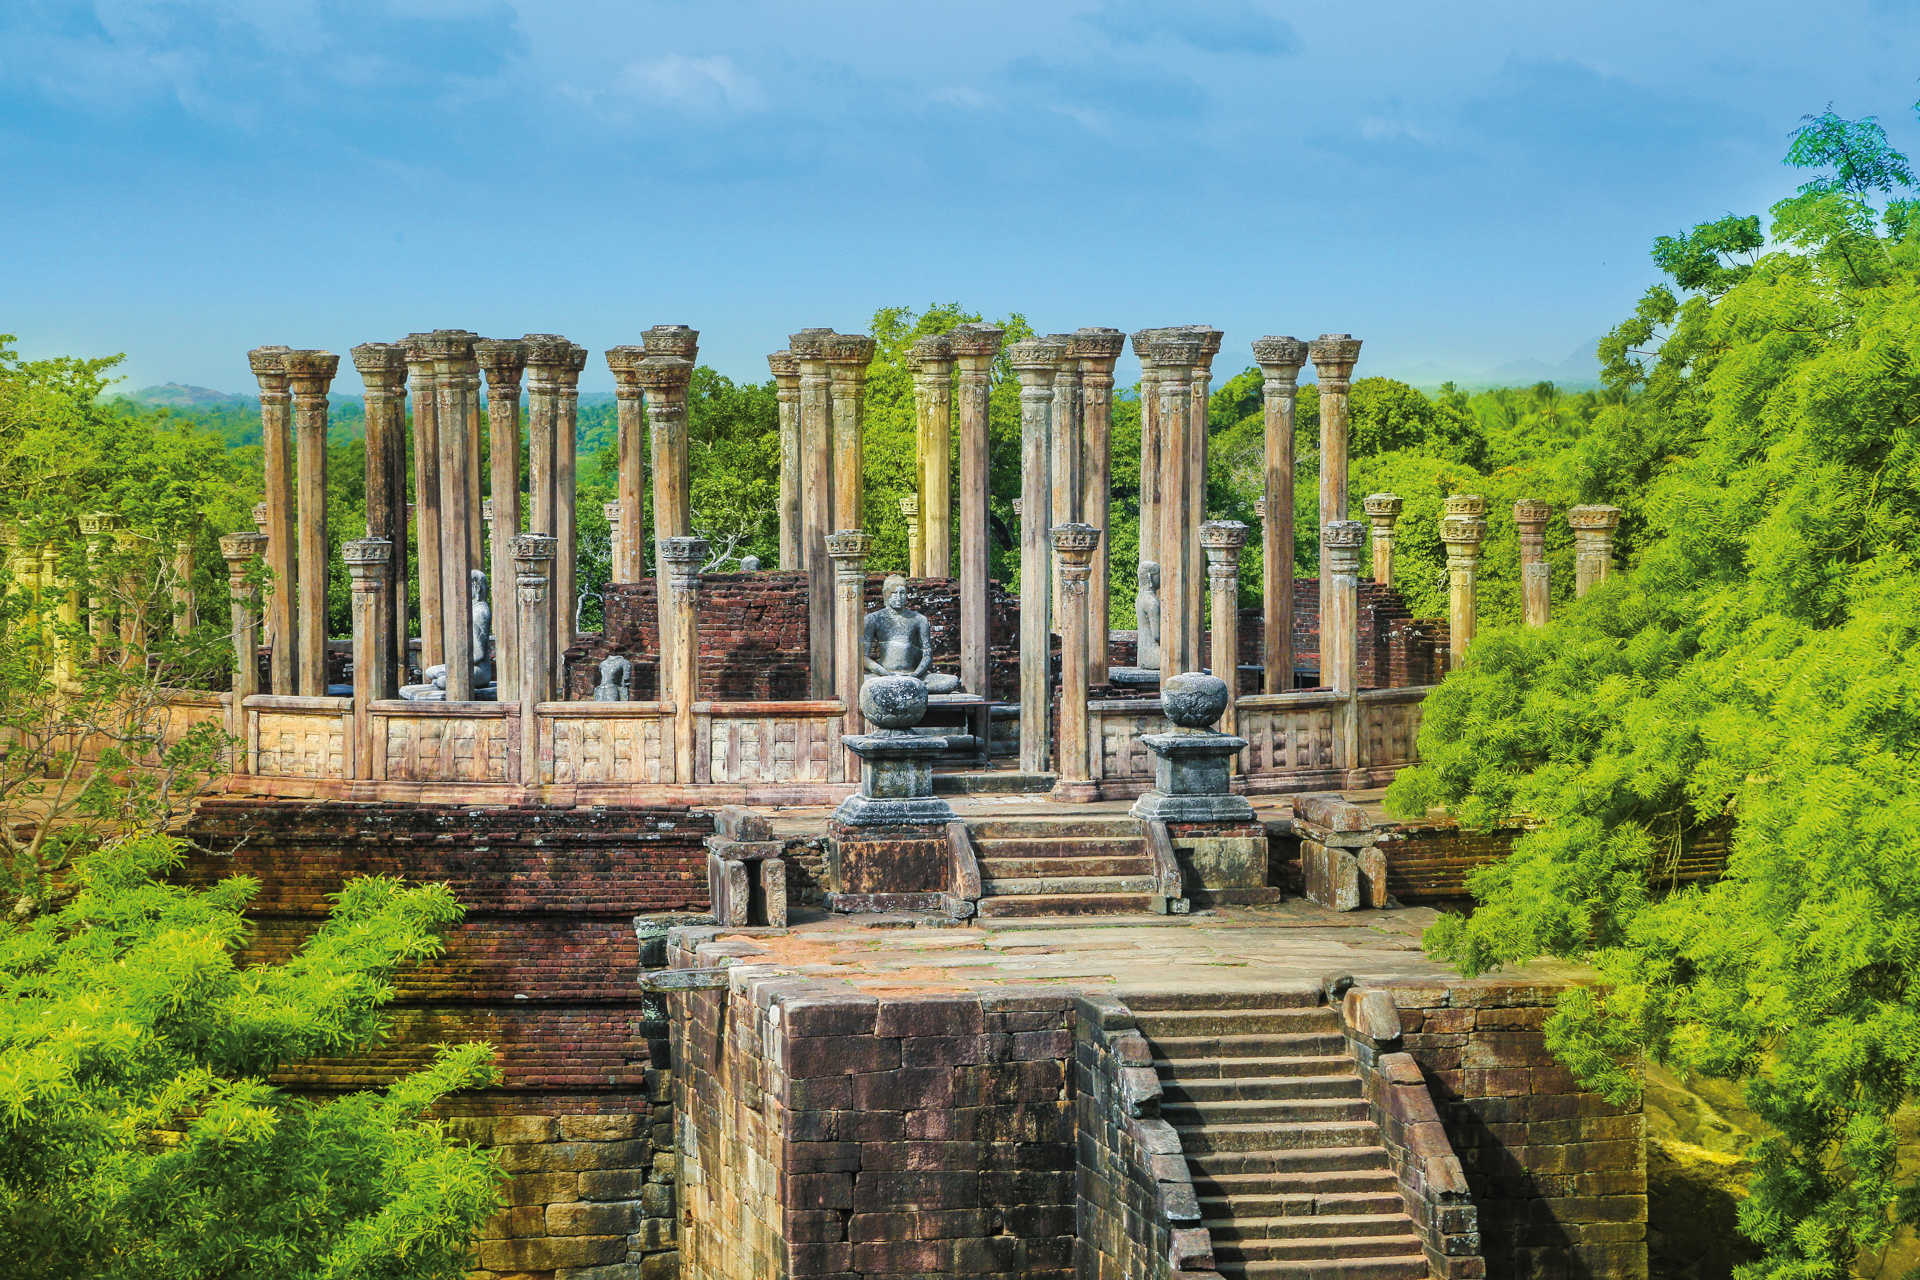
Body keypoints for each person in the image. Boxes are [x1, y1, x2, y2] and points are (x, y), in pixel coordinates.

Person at [861, 575, 960, 693]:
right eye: (894, 593)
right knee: (859, 681)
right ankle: (909, 687)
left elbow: (927, 655)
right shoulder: (873, 619)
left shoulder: (919, 619)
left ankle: (908, 685)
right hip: (883, 676)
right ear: (885, 594)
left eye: (902, 593)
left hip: (912, 675)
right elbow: (864, 657)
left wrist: (915, 674)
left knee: (952, 681)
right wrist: (883, 672)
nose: (898, 597)